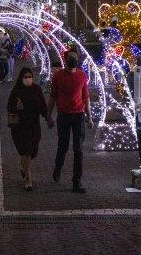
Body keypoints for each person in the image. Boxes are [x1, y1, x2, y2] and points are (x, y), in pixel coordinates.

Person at [46, 48, 93, 193]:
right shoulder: (58, 76)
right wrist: (49, 117)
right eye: (71, 57)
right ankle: (58, 168)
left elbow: (86, 98)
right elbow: (53, 97)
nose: (73, 60)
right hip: (64, 115)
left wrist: (89, 117)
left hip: (78, 115)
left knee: (78, 149)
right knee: (63, 146)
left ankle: (76, 181)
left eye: (75, 57)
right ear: (66, 59)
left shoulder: (82, 75)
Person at [7, 67, 47, 191]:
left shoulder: (36, 89)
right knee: (26, 151)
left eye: (30, 76)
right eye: (26, 77)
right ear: (21, 78)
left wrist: (47, 117)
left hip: (33, 125)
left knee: (31, 151)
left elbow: (42, 106)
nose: (28, 79)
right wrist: (16, 107)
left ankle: (23, 165)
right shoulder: (17, 91)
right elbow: (9, 107)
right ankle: (28, 179)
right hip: (20, 127)